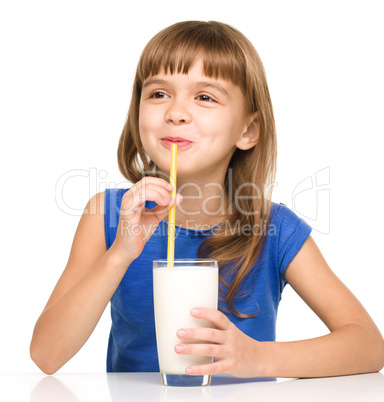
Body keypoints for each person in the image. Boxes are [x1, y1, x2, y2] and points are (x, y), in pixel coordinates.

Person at [30, 20, 384, 378]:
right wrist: (120, 254)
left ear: (247, 130)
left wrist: (259, 358)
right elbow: (47, 354)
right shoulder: (107, 216)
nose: (176, 112)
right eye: (158, 94)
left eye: (204, 97)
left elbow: (368, 346)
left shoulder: (274, 230)